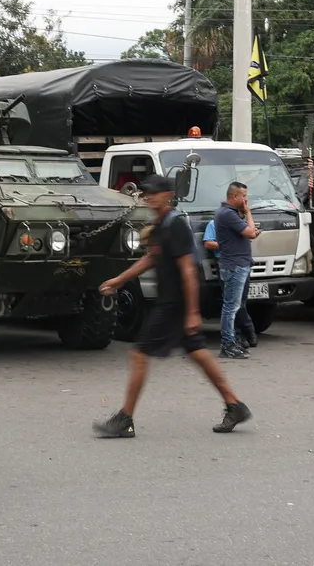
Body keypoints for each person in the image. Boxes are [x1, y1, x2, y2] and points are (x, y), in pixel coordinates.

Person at [93, 174, 252, 438]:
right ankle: (234, 405)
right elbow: (150, 259)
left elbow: (188, 270)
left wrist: (191, 312)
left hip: (176, 302)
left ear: (167, 195)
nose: (149, 197)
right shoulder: (160, 224)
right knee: (197, 351)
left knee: (140, 353)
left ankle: (125, 419)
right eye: (146, 193)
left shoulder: (175, 224)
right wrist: (119, 280)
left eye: (154, 192)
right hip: (174, 301)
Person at [212, 182, 261, 359]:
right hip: (234, 266)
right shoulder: (227, 214)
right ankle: (227, 344)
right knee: (231, 308)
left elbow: (251, 232)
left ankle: (232, 342)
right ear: (234, 197)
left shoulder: (229, 214)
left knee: (234, 306)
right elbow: (250, 233)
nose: (246, 200)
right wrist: (248, 212)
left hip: (237, 264)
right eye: (244, 196)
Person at [203, 218, 258, 351]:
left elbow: (251, 235)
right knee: (233, 303)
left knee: (241, 301)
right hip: (227, 262)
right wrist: (229, 245)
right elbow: (208, 243)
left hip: (243, 262)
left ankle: (243, 332)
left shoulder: (242, 224)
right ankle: (242, 333)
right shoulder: (214, 223)